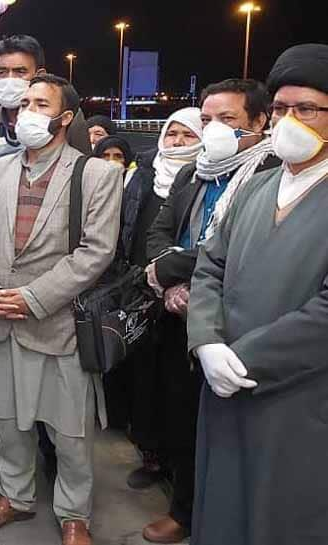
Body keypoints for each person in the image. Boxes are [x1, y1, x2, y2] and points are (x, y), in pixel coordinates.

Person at [0, 74, 122, 545]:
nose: (26, 111)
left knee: (70, 431)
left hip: (58, 324)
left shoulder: (96, 174)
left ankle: (74, 512)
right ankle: (16, 497)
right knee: (9, 422)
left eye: (40, 103)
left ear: (65, 117)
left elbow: (96, 252)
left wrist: (33, 298)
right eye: (24, 103)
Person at [187, 43, 328, 545]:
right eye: (283, 109)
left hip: (297, 397)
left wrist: (243, 360)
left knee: (282, 514)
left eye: (307, 108)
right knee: (222, 503)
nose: (291, 121)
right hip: (221, 381)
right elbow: (209, 266)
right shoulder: (255, 186)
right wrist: (205, 341)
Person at [141, 79, 277, 544]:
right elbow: (158, 235)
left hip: (233, 321)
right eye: (207, 120)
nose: (213, 130)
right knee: (182, 416)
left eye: (228, 120)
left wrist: (177, 268)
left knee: (232, 426)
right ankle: (185, 509)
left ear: (259, 123)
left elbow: (229, 250)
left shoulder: (270, 175)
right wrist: (171, 281)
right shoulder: (193, 174)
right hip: (179, 315)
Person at [119, 107, 203, 492]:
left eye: (188, 135)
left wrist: (173, 280)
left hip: (187, 299)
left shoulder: (201, 181)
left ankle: (178, 467)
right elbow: (141, 232)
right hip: (144, 291)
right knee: (145, 379)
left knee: (178, 386)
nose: (178, 143)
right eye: (173, 135)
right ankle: (151, 456)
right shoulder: (144, 178)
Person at [0, 35, 91, 165]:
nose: (10, 79)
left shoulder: (65, 120)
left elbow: (83, 169)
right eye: (2, 72)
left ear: (40, 74)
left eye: (20, 71)